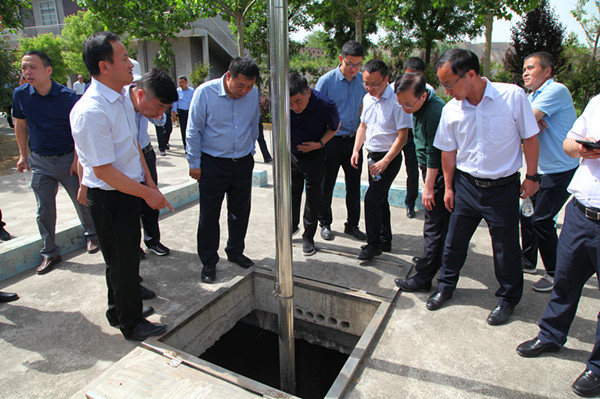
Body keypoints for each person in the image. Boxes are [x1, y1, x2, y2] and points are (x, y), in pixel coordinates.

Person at [70, 31, 172, 341]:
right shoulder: (91, 111)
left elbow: (134, 148)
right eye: (124, 58)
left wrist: (150, 184)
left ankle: (119, 310)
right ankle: (131, 323)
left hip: (127, 191)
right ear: (104, 66)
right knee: (124, 261)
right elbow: (103, 171)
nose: (131, 64)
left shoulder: (122, 98)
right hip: (110, 196)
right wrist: (147, 194)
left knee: (122, 258)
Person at [426, 49, 540, 326]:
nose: (447, 90)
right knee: (454, 242)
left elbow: (531, 137)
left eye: (450, 83)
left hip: (502, 187)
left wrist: (532, 176)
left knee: (505, 247)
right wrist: (449, 187)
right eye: (443, 84)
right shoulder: (452, 109)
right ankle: (446, 286)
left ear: (472, 75)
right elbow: (448, 151)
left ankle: (508, 299)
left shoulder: (511, 97)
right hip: (466, 185)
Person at [516, 94, 600, 397]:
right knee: (564, 282)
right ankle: (550, 335)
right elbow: (568, 144)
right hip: (581, 212)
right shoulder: (598, 103)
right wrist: (583, 148)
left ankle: (597, 367)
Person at [12, 50, 99, 275]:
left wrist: (77, 159)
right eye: (24, 68)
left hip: (67, 159)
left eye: (33, 67)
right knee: (44, 210)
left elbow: (79, 131)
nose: (27, 72)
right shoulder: (20, 95)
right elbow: (20, 125)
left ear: (48, 70)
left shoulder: (67, 96)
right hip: (40, 161)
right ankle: (50, 252)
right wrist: (23, 155)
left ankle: (93, 236)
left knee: (82, 201)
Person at [186, 57, 260, 284]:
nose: (245, 91)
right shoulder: (205, 93)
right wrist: (194, 163)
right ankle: (209, 261)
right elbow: (193, 130)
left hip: (242, 162)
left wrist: (250, 152)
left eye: (249, 86)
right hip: (213, 163)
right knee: (209, 214)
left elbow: (253, 124)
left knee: (240, 211)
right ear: (228, 76)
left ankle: (235, 251)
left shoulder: (253, 94)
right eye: (240, 85)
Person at [520, 51, 579, 292]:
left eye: (531, 68)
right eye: (524, 68)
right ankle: (527, 261)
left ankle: (555, 274)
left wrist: (529, 123)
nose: (525, 72)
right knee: (526, 214)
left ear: (547, 71)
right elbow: (525, 124)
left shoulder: (556, 91)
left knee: (542, 220)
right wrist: (529, 124)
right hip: (540, 169)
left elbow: (525, 123)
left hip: (560, 169)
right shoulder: (531, 96)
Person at [393, 73, 449, 292]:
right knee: (436, 224)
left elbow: (436, 151)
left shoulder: (434, 111)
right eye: (400, 103)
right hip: (431, 169)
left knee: (434, 225)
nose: (404, 108)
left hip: (439, 173)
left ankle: (424, 278)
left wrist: (428, 187)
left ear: (423, 95)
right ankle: (433, 261)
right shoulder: (419, 107)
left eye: (407, 103)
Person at [351, 59, 412, 260]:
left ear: (386, 79)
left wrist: (385, 161)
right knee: (381, 199)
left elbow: (402, 137)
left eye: (374, 84)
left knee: (371, 199)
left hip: (389, 159)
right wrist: (356, 149)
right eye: (366, 83)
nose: (369, 88)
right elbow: (363, 126)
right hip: (372, 158)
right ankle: (386, 239)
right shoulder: (368, 99)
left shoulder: (397, 100)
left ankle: (373, 244)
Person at [315, 40, 367, 242]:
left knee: (354, 186)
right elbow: (316, 113)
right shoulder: (326, 82)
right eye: (350, 63)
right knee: (325, 185)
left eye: (358, 64)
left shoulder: (363, 80)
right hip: (331, 141)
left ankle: (352, 225)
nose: (354, 69)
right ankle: (325, 223)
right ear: (341, 59)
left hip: (354, 142)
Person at [128, 63, 178, 259]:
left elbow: (159, 121)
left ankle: (152, 241)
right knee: (132, 205)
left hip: (146, 153)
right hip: (128, 159)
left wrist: (158, 111)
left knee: (151, 202)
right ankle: (133, 245)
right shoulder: (119, 105)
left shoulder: (149, 104)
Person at [289, 72, 340, 255]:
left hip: (314, 157)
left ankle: (308, 237)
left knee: (313, 197)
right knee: (291, 193)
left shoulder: (325, 105)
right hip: (291, 156)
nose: (294, 107)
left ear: (308, 93)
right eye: (290, 103)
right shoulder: (283, 103)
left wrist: (319, 144)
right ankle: (291, 227)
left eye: (298, 101)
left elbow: (335, 127)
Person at [398, 57, 427, 219]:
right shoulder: (396, 88)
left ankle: (410, 203)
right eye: (409, 75)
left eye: (417, 75)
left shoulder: (426, 91)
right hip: (398, 134)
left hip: (415, 135)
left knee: (413, 171)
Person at [171, 75, 194, 152]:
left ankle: (192, 145)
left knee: (191, 129)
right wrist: (174, 114)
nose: (181, 84)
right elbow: (175, 103)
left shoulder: (192, 91)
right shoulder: (177, 91)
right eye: (179, 82)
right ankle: (186, 146)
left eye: (182, 82)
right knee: (183, 129)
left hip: (190, 112)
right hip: (181, 113)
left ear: (186, 82)